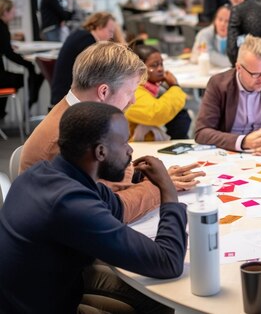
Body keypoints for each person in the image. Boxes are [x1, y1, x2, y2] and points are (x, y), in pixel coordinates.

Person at [0, 101, 187, 313]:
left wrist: (144, 181)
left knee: (153, 300)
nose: (130, 150)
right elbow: (169, 262)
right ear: (100, 152)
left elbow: (115, 207)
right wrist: (168, 190)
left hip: (41, 295)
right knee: (162, 304)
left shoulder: (47, 174)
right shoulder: (69, 204)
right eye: (124, 143)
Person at [21, 41, 204, 223]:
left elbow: (108, 186)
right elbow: (107, 210)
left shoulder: (77, 114)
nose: (132, 100)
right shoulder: (68, 138)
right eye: (129, 92)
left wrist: (150, 178)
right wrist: (161, 187)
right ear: (103, 91)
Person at [195, 35, 261, 155]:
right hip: (230, 154)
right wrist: (243, 142)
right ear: (239, 68)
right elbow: (202, 132)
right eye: (255, 74)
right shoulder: (218, 84)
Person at [50, 12, 123, 107]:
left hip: (62, 95)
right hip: (67, 100)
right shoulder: (87, 42)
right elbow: (98, 75)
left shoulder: (81, 35)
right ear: (99, 26)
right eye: (110, 31)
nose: (111, 36)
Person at [126, 44, 191, 141]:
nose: (160, 69)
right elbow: (156, 113)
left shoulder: (156, 87)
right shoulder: (132, 90)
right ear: (138, 69)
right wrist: (175, 86)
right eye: (154, 65)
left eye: (161, 64)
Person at [0, 0, 44, 118]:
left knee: (30, 76)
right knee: (27, 77)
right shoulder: (2, 28)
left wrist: (8, 44)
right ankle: (27, 106)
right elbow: (8, 53)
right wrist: (27, 64)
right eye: (13, 11)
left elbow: (5, 48)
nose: (14, 14)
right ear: (5, 12)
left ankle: (2, 112)